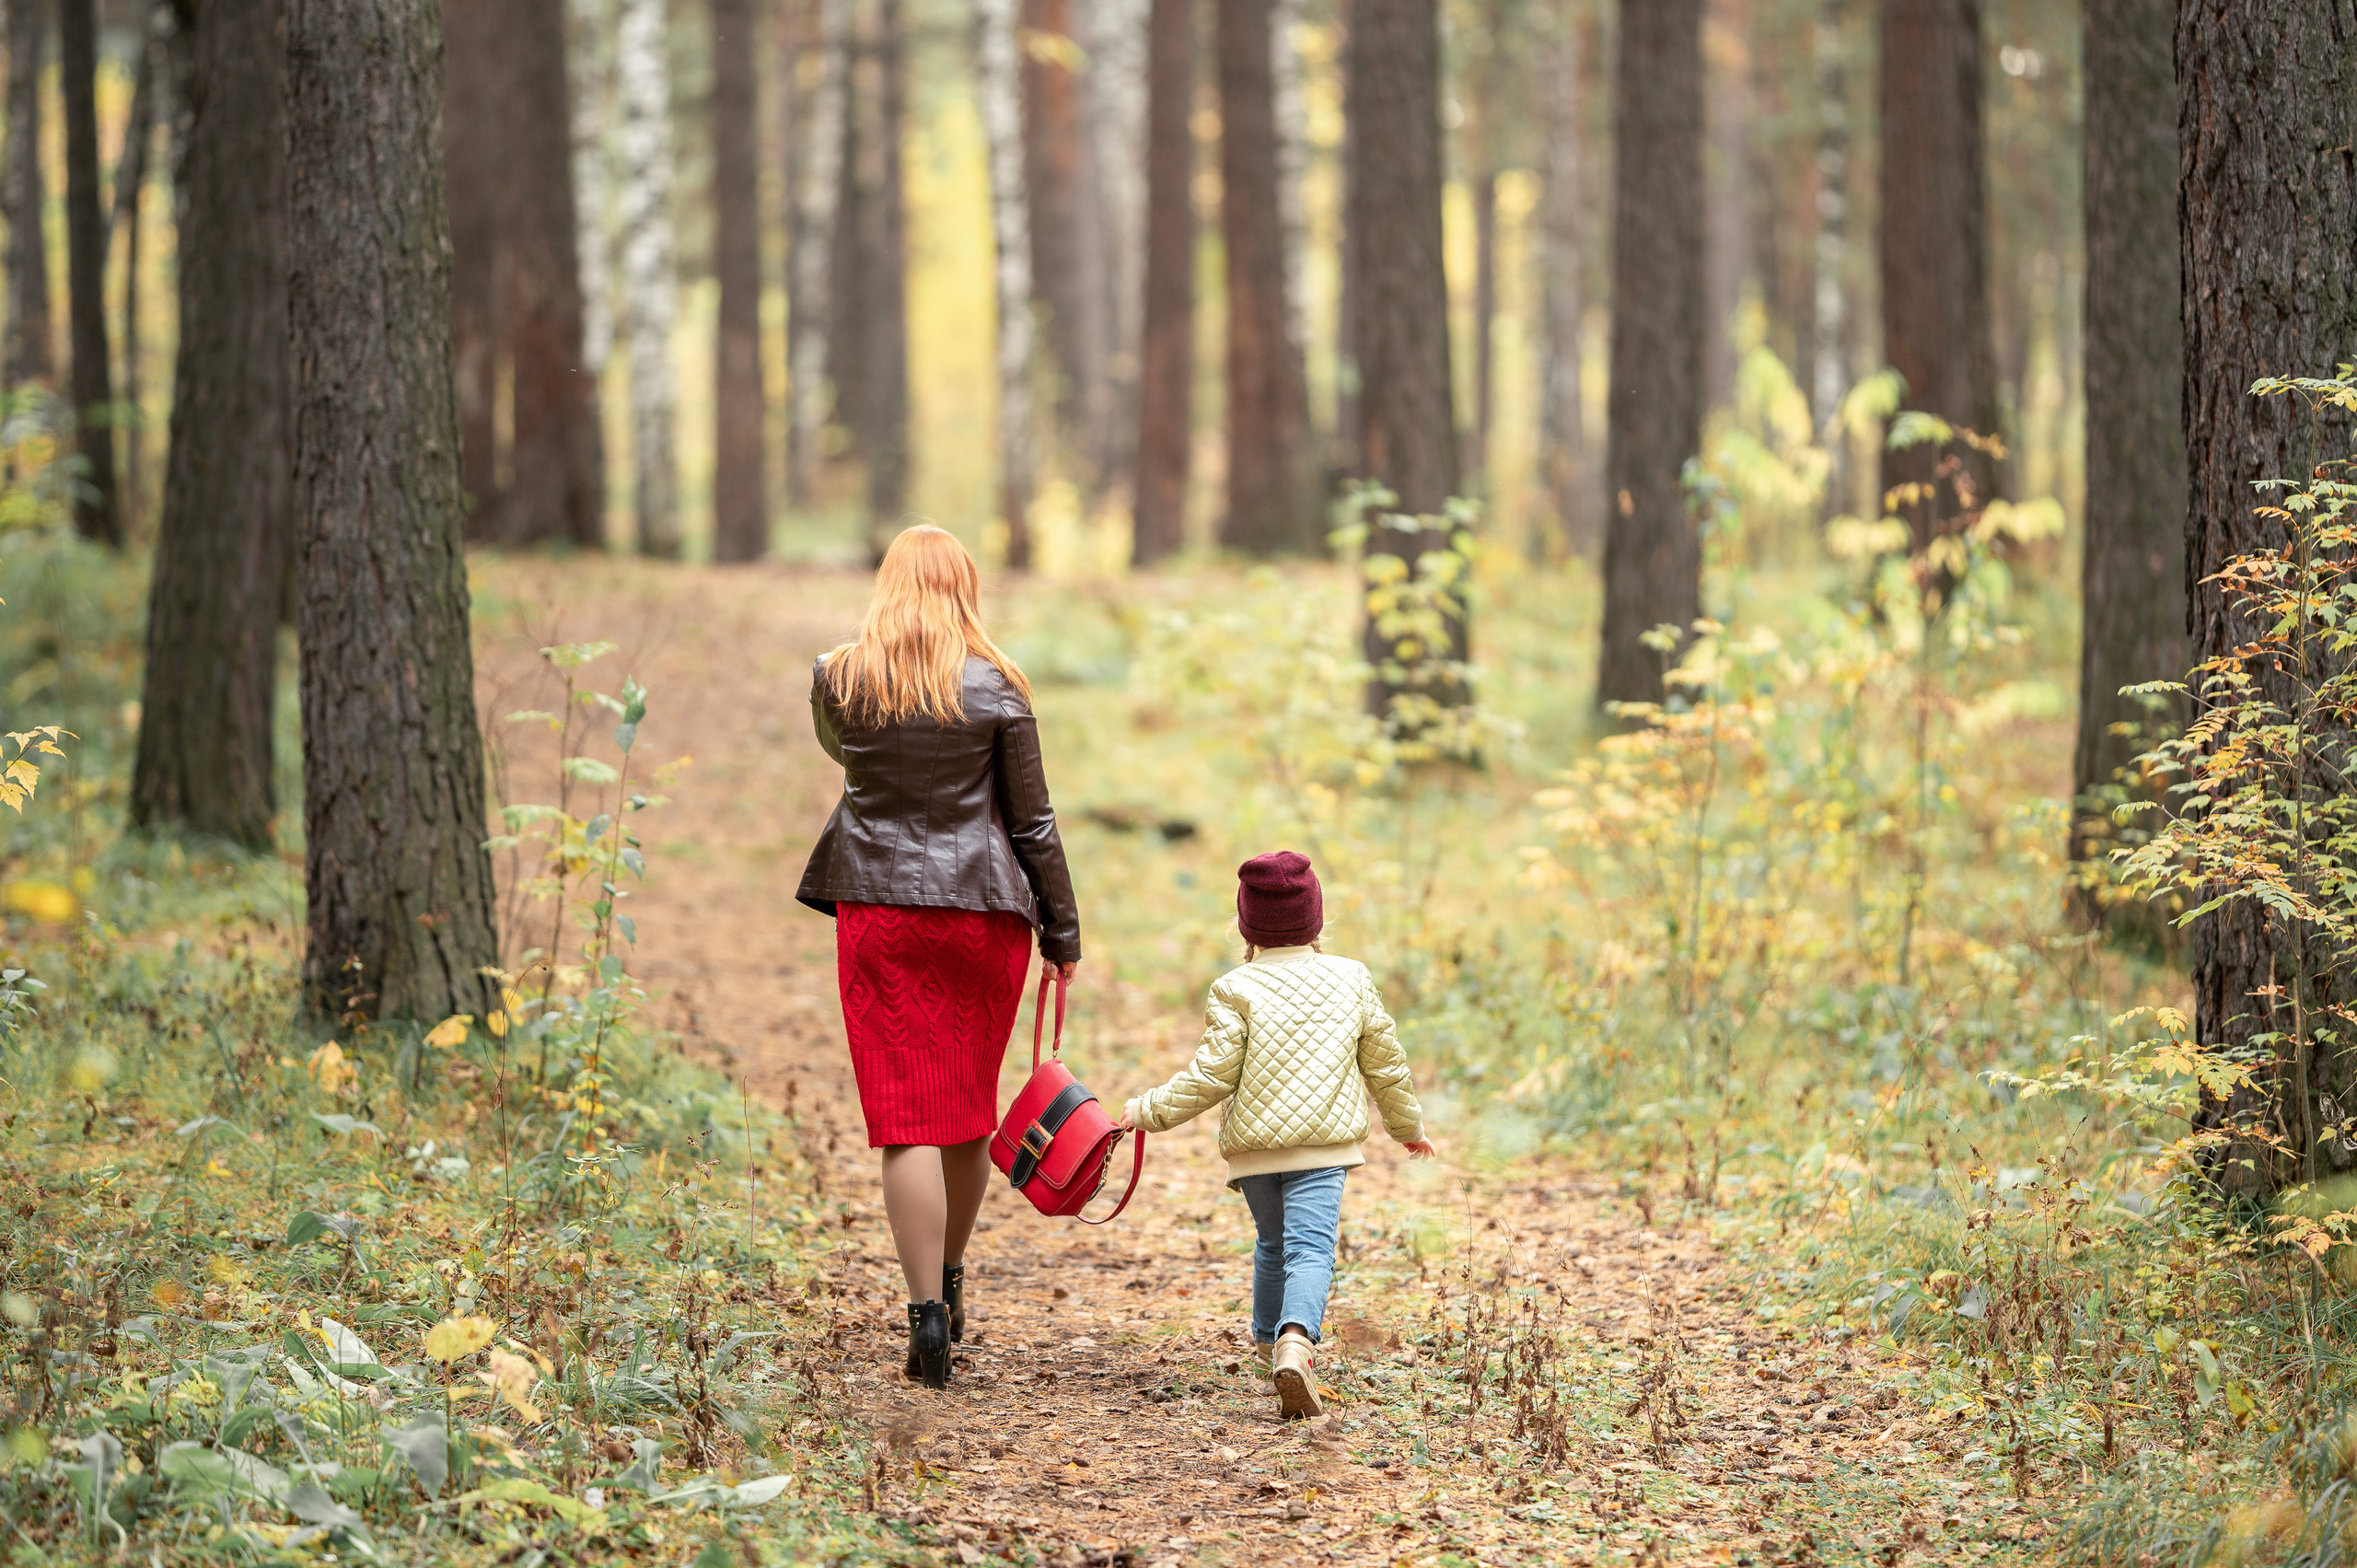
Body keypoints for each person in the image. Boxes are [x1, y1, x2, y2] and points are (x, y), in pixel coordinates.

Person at [798, 525, 1081, 1390]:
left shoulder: (839, 676)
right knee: (965, 1109)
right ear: (965, 588)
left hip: (878, 914)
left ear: (887, 583)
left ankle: (923, 1311)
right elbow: (1032, 820)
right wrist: (1063, 932)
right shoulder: (1000, 685)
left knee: (906, 1117)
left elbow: (844, 754)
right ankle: (952, 1279)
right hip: (981, 918)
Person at [1120, 850, 1435, 1419]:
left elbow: (1211, 1077)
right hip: (1323, 1147)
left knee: (1272, 1243)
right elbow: (1385, 1065)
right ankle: (1295, 1343)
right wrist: (1407, 1128)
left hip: (1256, 1154)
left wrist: (1147, 1111)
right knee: (1310, 1248)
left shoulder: (1233, 987)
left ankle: (1268, 1345)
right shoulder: (1351, 978)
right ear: (1316, 918)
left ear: (1247, 924)